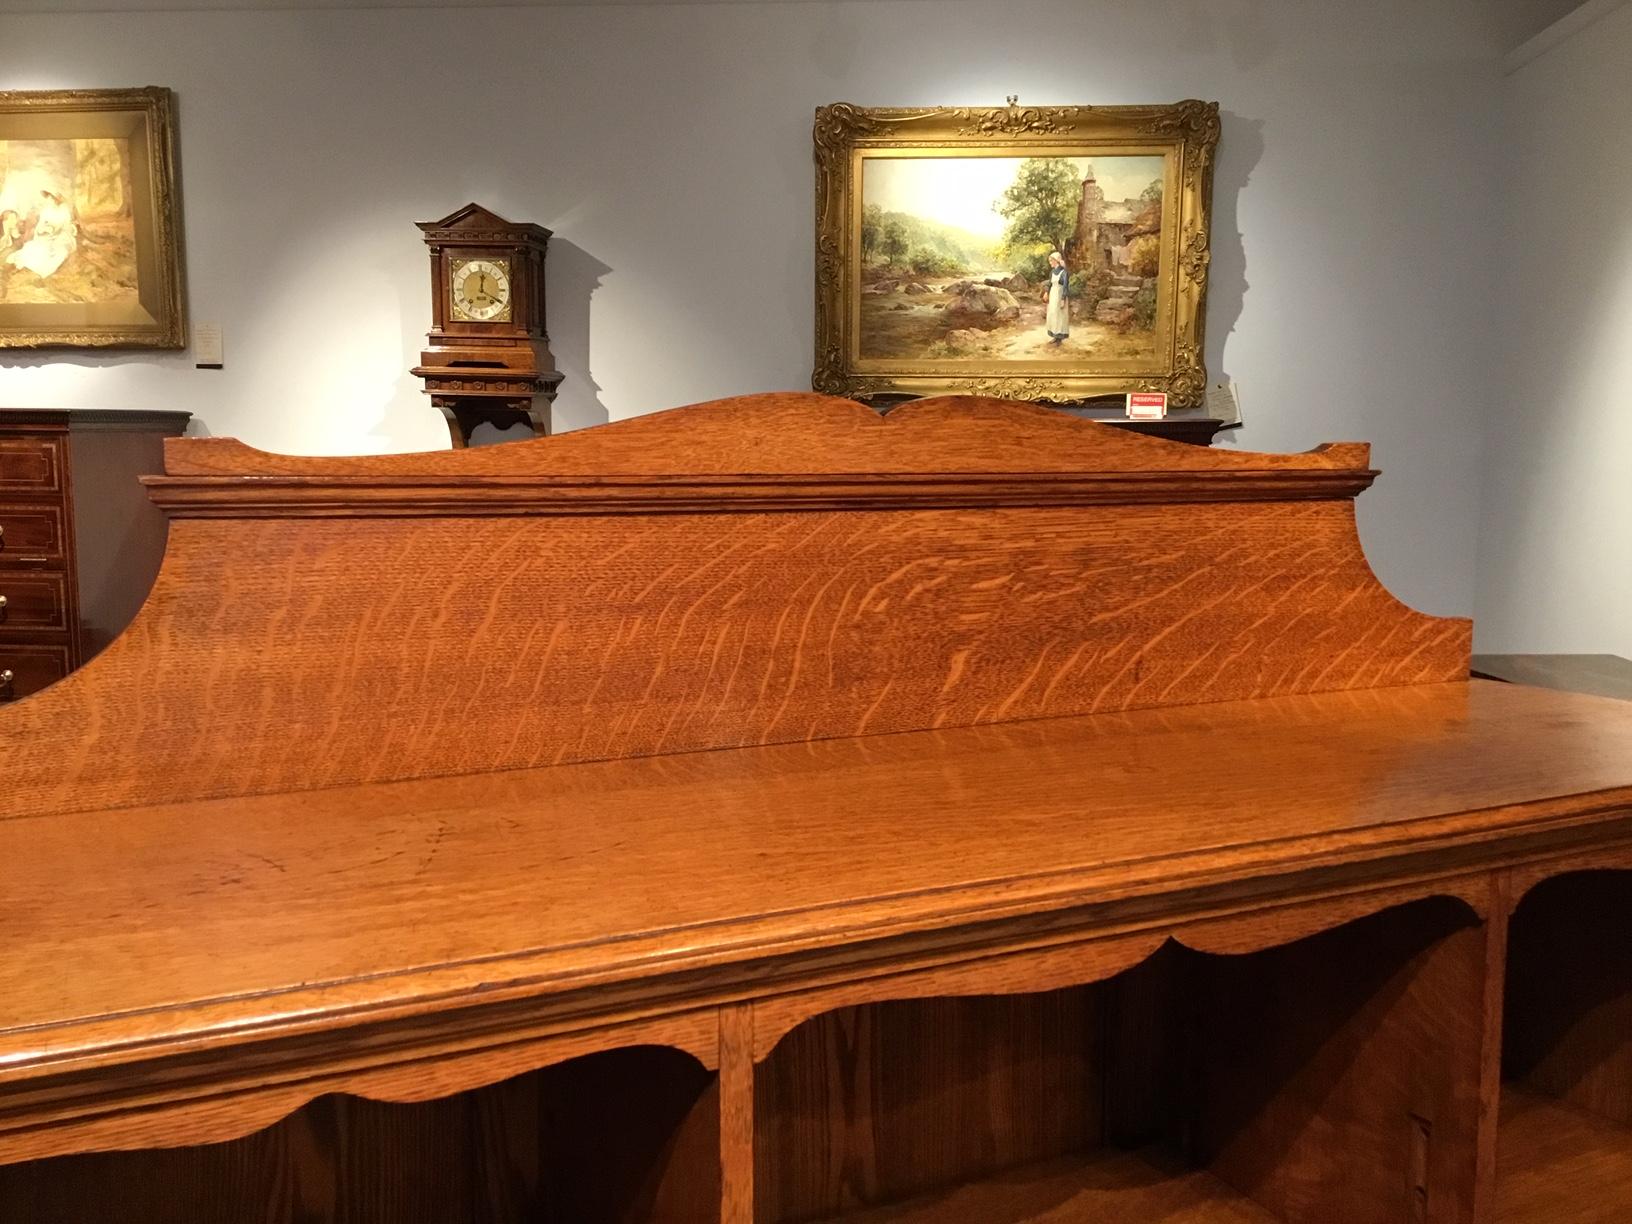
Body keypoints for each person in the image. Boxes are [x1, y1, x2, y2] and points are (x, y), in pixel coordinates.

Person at [5, 190, 77, 280]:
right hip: (45, 238)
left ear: (56, 198)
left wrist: (53, 230)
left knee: (60, 252)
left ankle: (41, 273)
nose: (49, 199)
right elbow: (40, 226)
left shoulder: (64, 211)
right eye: (48, 197)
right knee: (34, 247)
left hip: (62, 238)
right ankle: (19, 266)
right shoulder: (46, 210)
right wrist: (42, 231)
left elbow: (66, 227)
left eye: (52, 197)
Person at [1043, 250, 1069, 345]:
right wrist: (1046, 293)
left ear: (1056, 261)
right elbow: (1050, 283)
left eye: (1051, 261)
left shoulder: (1064, 272)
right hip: (1053, 296)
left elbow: (1065, 286)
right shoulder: (1052, 272)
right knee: (1053, 315)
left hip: (1060, 295)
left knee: (1060, 316)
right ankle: (1054, 336)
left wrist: (1063, 299)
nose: (1050, 263)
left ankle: (1059, 338)